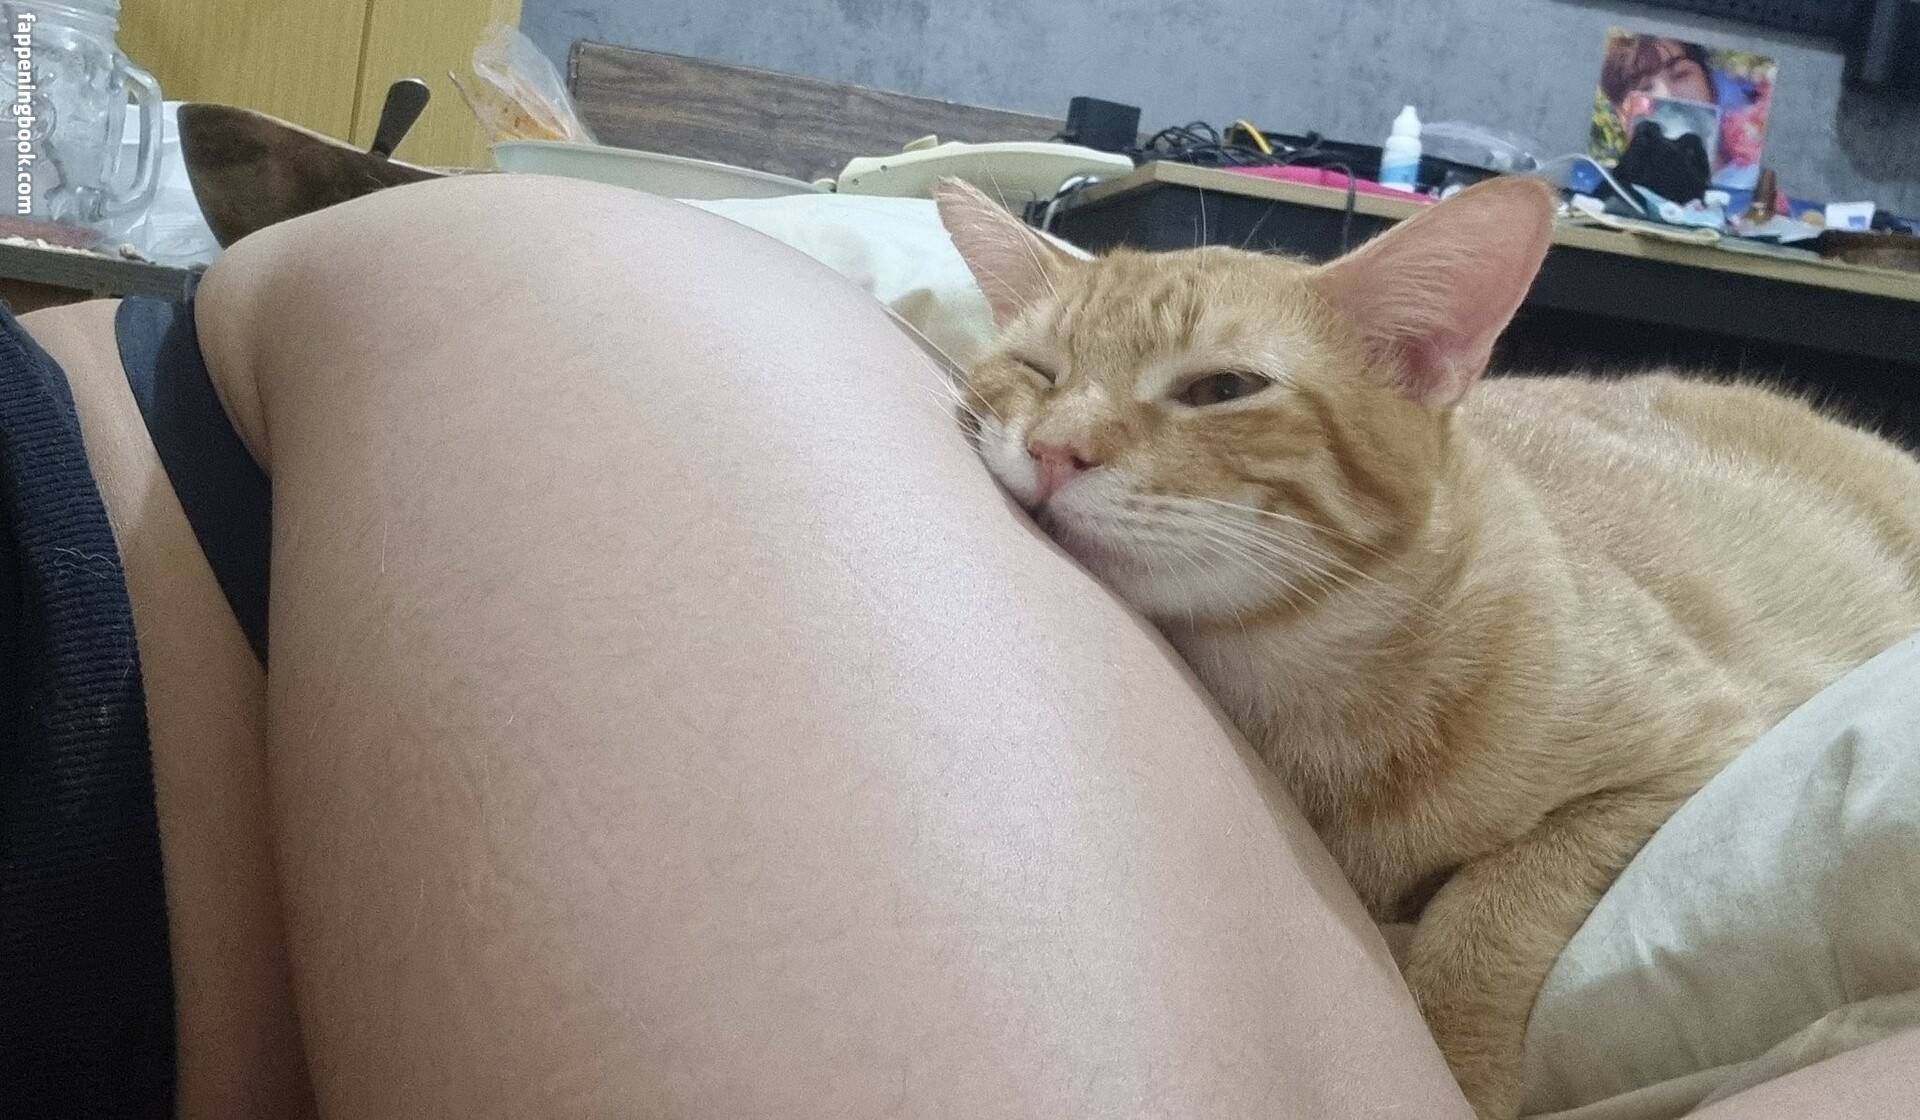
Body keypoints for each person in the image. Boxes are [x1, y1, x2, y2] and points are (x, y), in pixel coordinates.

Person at [2, 173, 1914, 1118]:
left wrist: (1473, 981)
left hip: (206, 504)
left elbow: (1680, 759)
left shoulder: (1518, 650)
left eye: (1212, 392)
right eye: (1031, 375)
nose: (1066, 444)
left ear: (1430, 366)